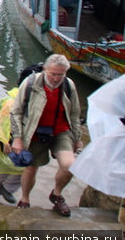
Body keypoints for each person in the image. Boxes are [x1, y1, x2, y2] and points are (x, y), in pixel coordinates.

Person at [9, 54, 83, 217]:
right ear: (45, 69)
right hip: (35, 129)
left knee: (70, 165)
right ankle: (25, 199)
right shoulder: (30, 84)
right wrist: (18, 138)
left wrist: (77, 139)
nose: (56, 78)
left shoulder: (68, 85)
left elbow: (75, 114)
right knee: (31, 167)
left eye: (60, 75)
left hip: (60, 131)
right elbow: (16, 112)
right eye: (53, 74)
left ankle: (56, 195)